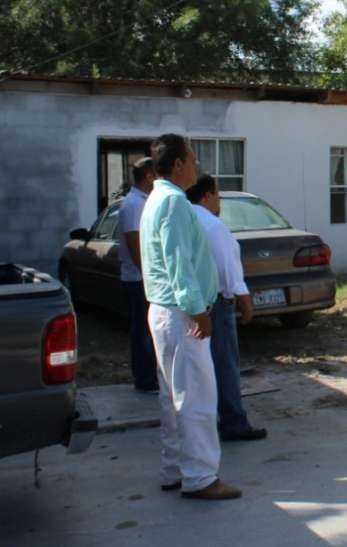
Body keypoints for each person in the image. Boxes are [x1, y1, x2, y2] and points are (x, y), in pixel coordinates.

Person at [140, 133, 240, 501]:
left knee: (172, 397)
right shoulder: (174, 203)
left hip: (166, 312)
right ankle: (200, 477)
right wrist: (197, 308)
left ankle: (175, 470)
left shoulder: (157, 199)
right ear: (178, 164)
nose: (198, 167)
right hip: (182, 314)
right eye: (193, 160)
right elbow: (179, 261)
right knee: (196, 397)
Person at [187, 173, 267, 442]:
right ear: (208, 195)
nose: (220, 201)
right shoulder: (212, 224)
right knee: (225, 364)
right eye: (218, 195)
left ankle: (208, 422)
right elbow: (226, 266)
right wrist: (243, 296)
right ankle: (233, 422)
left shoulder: (184, 218)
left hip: (192, 302)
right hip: (217, 302)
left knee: (200, 367)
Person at [116, 157, 160, 394]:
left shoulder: (144, 201)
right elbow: (134, 242)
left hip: (143, 277)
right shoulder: (134, 204)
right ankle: (144, 379)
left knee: (148, 329)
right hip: (138, 278)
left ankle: (150, 374)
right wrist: (148, 274)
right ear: (149, 177)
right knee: (142, 330)